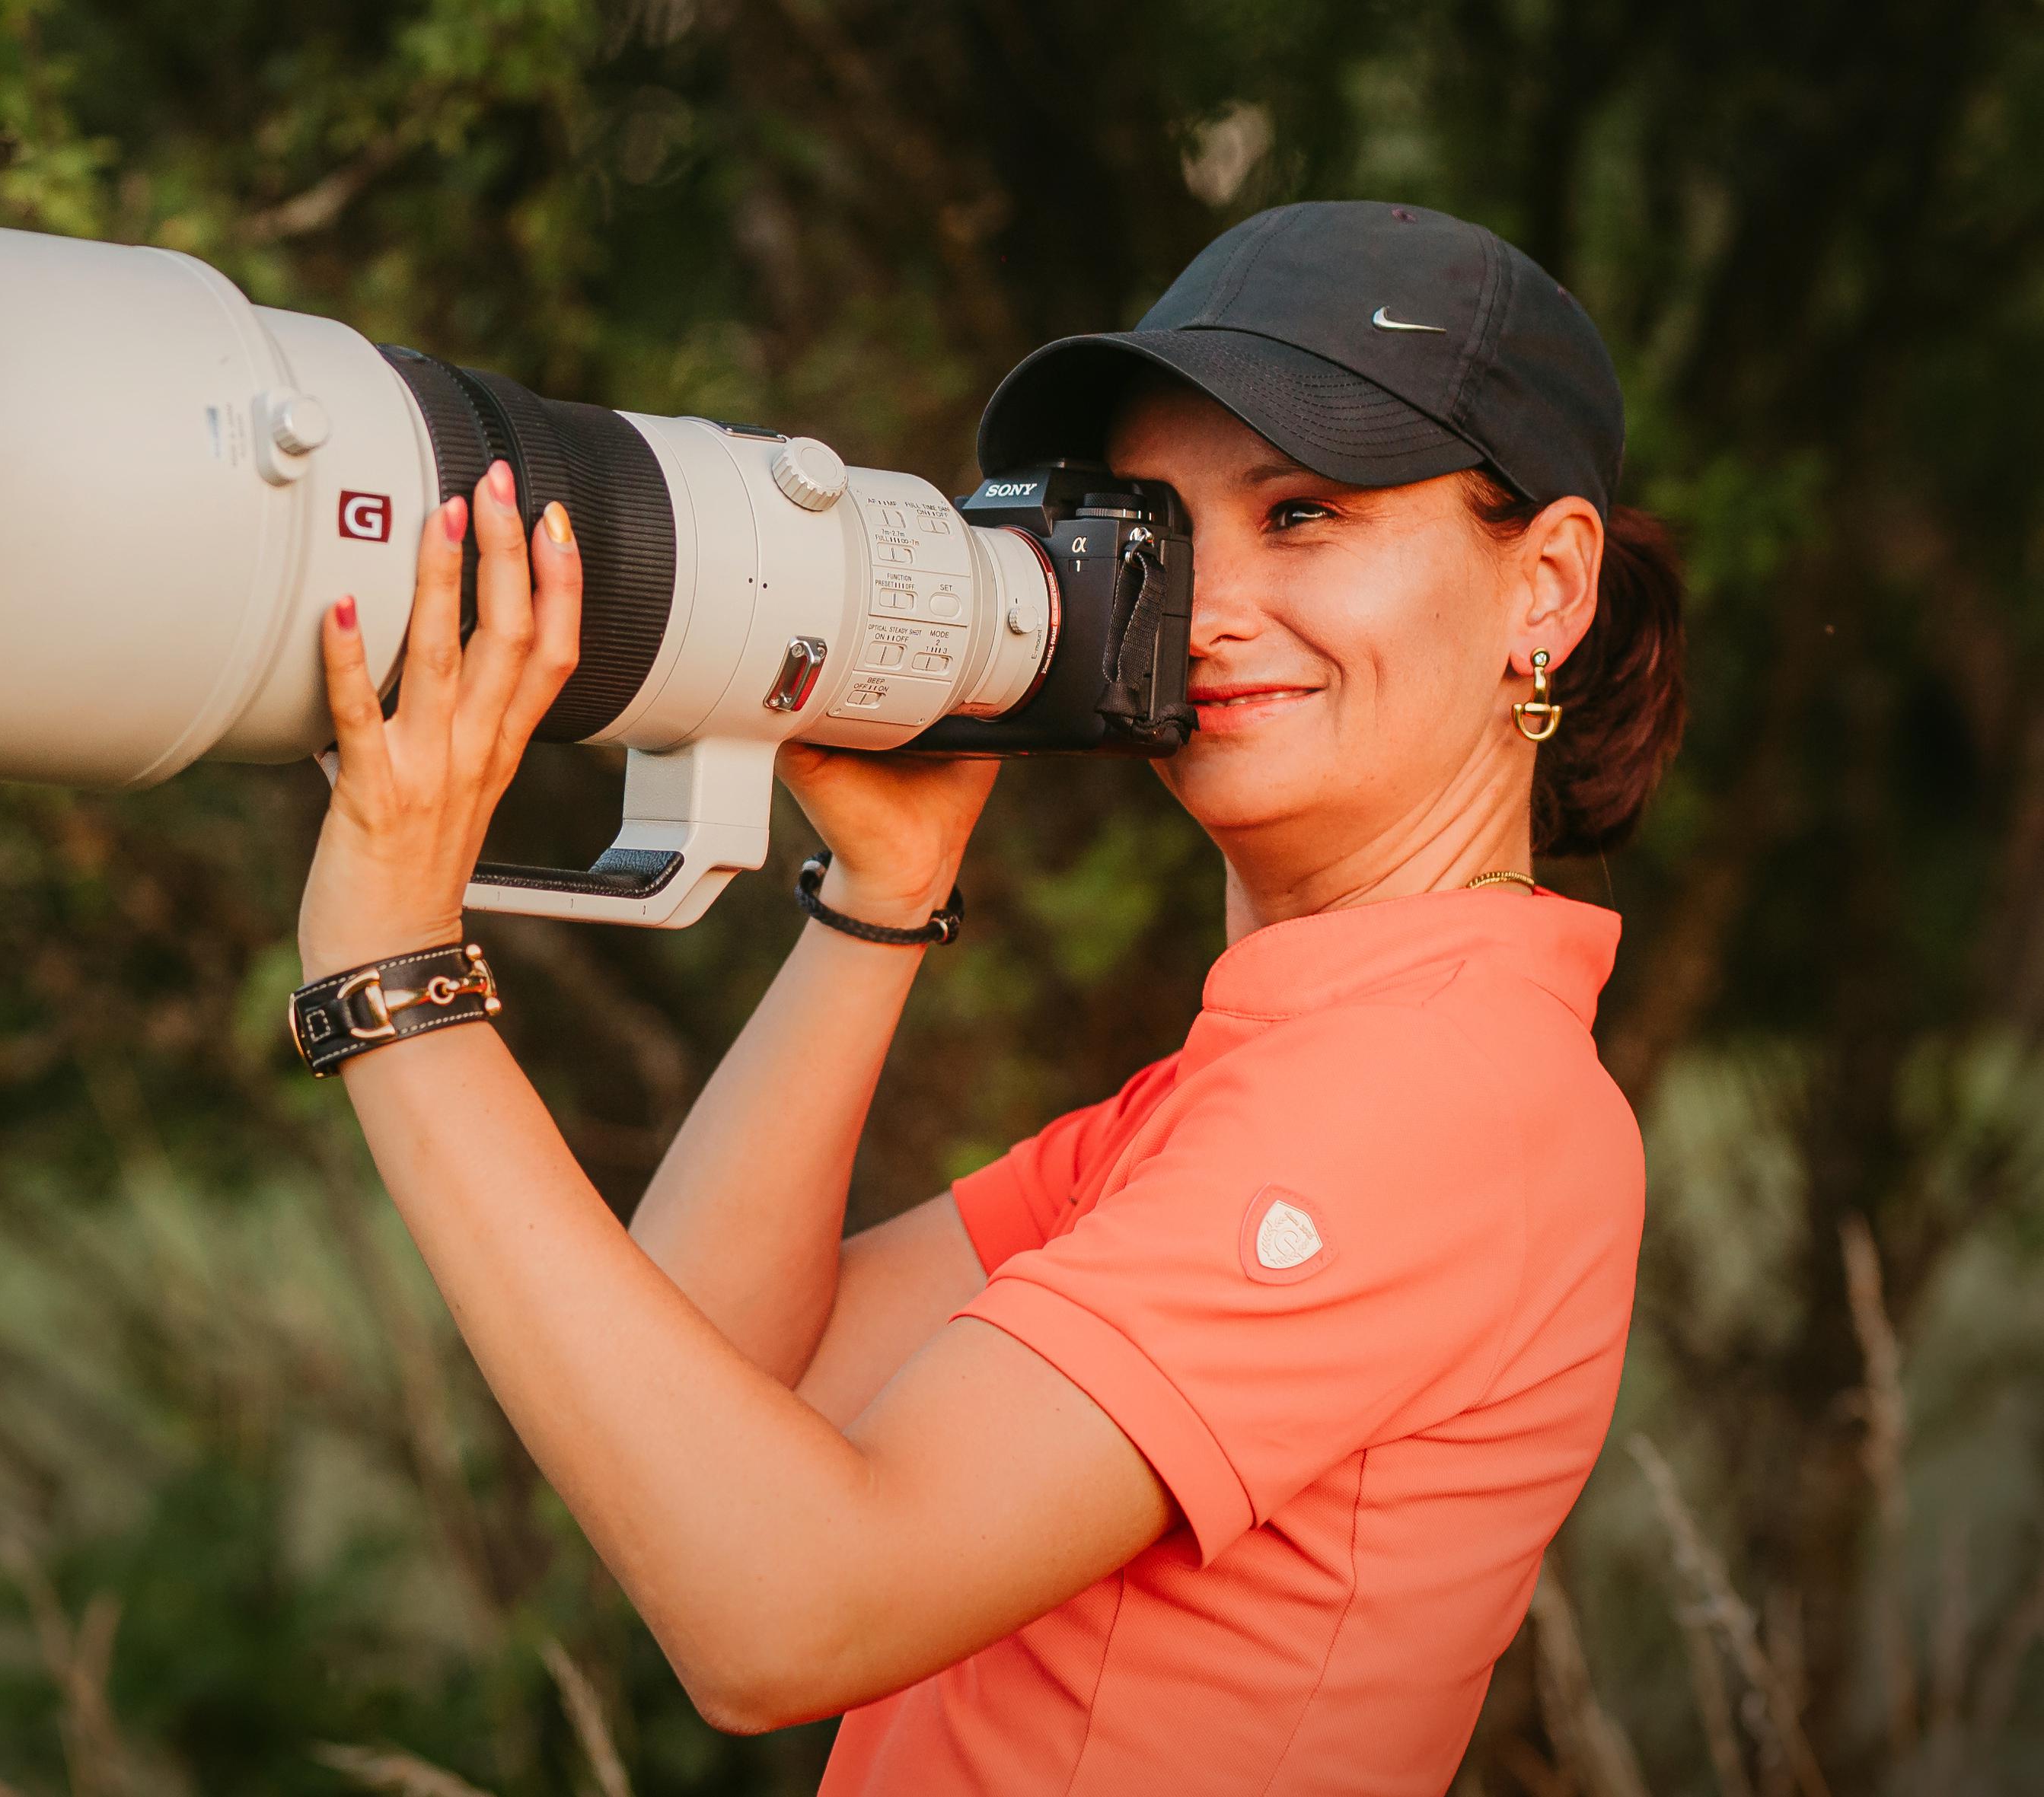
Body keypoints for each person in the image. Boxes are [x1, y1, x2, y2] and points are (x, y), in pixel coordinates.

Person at [286, 201, 1685, 1792]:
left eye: (1301, 515)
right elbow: (712, 1391)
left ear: (1545, 587)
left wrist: (391, 985)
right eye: (1156, 526)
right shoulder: (1273, 1074)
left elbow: (782, 1611)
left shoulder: (1429, 1097)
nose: (1207, 608)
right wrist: (872, 908)